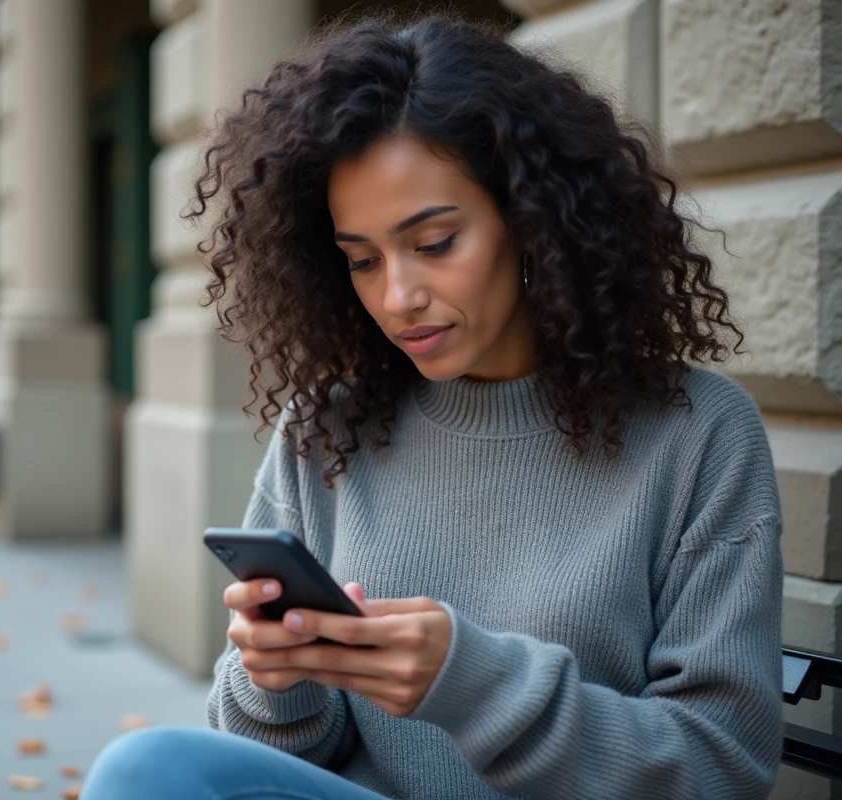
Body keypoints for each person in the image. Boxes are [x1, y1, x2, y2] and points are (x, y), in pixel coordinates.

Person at [82, 13, 782, 800]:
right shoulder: (329, 429)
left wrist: (473, 682)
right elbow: (275, 765)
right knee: (150, 768)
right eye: (362, 260)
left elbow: (722, 767)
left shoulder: (696, 434)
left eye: (436, 242)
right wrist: (276, 674)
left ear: (532, 221)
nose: (398, 296)